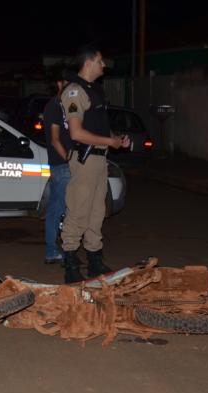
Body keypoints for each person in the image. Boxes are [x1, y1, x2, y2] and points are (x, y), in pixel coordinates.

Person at [59, 45, 130, 283]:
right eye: (100, 61)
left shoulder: (94, 91)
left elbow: (97, 126)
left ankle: (94, 262)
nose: (104, 65)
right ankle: (70, 263)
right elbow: (77, 133)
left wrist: (116, 139)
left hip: (99, 158)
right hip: (85, 158)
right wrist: (109, 140)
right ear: (88, 63)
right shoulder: (74, 92)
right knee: (78, 210)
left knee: (97, 212)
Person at [43, 74, 73, 264]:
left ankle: (63, 248)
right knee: (56, 208)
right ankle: (52, 250)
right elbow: (55, 140)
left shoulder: (68, 106)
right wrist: (70, 161)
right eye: (68, 84)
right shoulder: (54, 106)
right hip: (61, 165)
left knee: (65, 209)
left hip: (66, 164)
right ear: (59, 83)